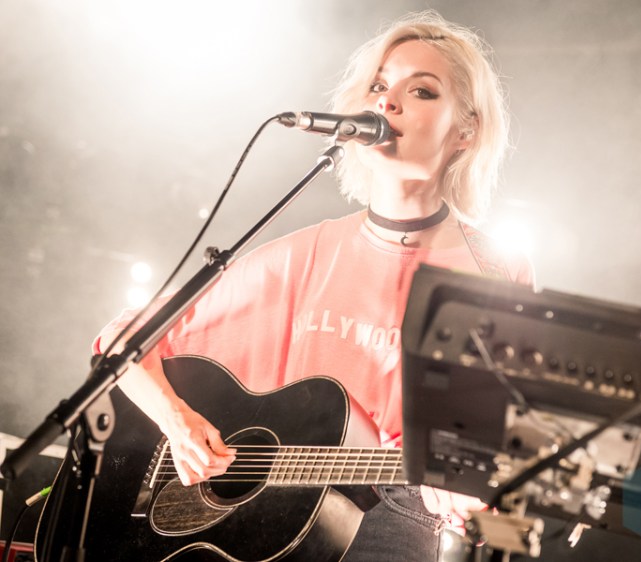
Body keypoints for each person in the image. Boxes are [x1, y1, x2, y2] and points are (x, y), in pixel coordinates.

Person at [95, 10, 533, 561]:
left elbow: (501, 442)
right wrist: (179, 425)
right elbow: (122, 342)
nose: (387, 103)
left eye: (421, 91)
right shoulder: (301, 255)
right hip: (258, 524)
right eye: (379, 86)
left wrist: (475, 492)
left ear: (466, 130)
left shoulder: (495, 271)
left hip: (392, 518)